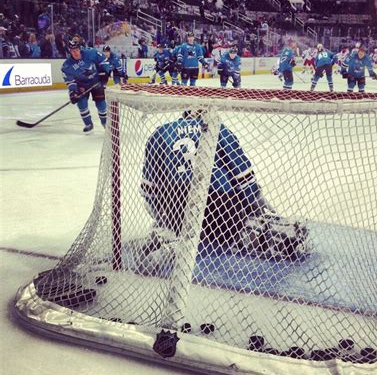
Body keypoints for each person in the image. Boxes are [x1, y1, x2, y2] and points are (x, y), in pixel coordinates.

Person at [139, 110, 309, 264]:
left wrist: (165, 219)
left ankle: (169, 236)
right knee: (237, 234)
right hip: (219, 204)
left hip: (177, 204)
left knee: (184, 227)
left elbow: (149, 190)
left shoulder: (160, 133)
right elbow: (243, 178)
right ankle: (264, 236)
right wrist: (256, 204)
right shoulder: (217, 129)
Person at [61, 39, 110, 133]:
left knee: (101, 104)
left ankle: (105, 123)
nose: (75, 53)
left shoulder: (90, 52)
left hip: (96, 81)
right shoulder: (67, 66)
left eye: (76, 50)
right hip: (81, 85)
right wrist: (73, 92)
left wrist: (105, 72)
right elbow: (70, 81)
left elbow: (103, 60)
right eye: (72, 51)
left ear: (80, 49)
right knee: (82, 104)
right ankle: (88, 124)